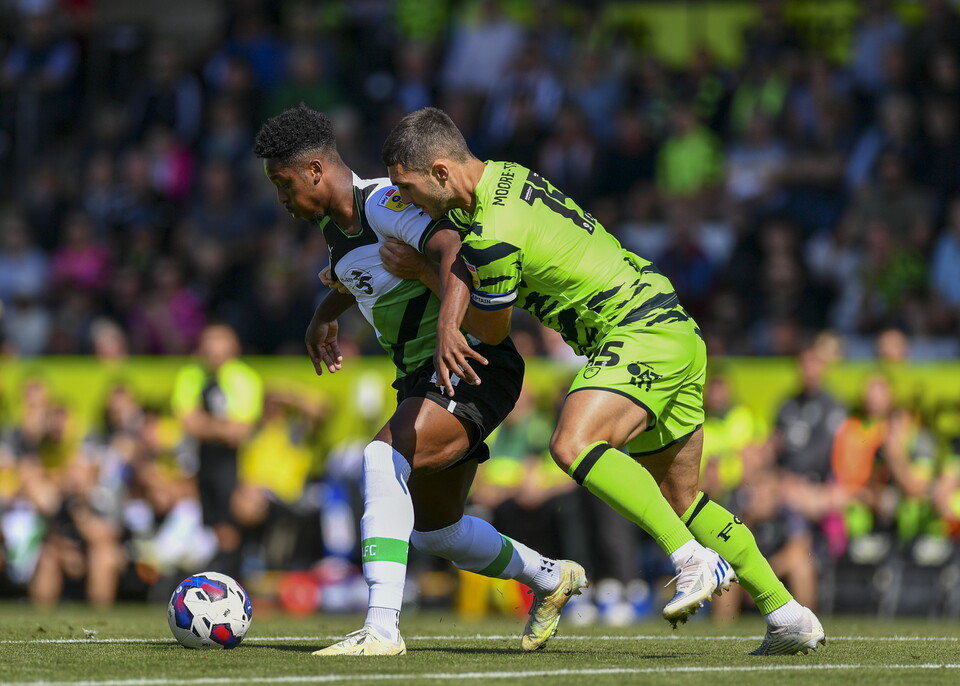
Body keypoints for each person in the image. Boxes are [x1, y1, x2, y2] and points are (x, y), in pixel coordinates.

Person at [381, 106, 826, 655]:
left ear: (443, 171)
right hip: (673, 329)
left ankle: (692, 561)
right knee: (682, 499)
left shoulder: (492, 236)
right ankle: (787, 613)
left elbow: (490, 331)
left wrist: (421, 272)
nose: (405, 199)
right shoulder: (509, 176)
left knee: (573, 444)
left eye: (408, 186)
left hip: (636, 330)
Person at [254, 104, 586, 656]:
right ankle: (552, 578)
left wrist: (450, 330)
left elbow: (453, 250)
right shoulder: (335, 226)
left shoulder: (383, 202)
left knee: (381, 459)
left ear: (315, 170)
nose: (281, 198)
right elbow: (371, 268)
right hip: (427, 376)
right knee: (438, 530)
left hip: (471, 362)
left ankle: (381, 628)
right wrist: (325, 312)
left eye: (283, 183)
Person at [171, 322, 263, 579]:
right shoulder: (191, 374)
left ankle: (230, 581)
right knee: (209, 524)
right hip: (204, 460)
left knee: (229, 523)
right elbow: (186, 420)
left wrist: (205, 423)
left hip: (236, 464)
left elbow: (239, 432)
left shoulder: (244, 378)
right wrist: (220, 427)